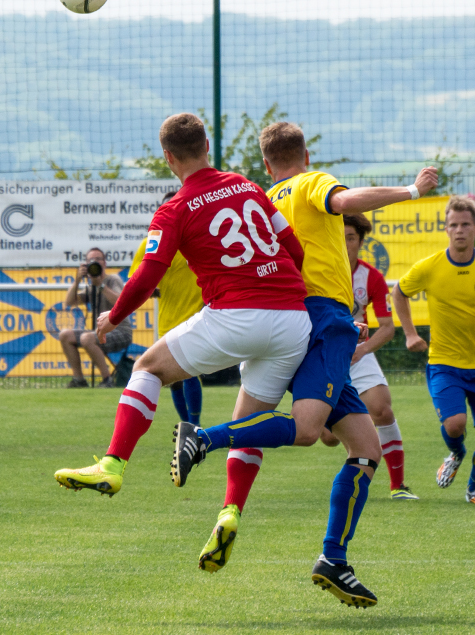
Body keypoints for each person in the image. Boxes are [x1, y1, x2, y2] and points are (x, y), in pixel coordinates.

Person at [173, 122, 438, 608]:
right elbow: (345, 202)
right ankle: (202, 438)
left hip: (279, 314)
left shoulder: (263, 197)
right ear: (306, 155)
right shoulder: (312, 183)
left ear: (267, 163)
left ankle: (320, 552)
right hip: (323, 317)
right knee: (307, 428)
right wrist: (411, 189)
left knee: (364, 446)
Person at [54, 113, 311, 522]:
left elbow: (146, 276)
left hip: (238, 314)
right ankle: (230, 512)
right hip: (294, 321)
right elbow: (294, 251)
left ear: (169, 158)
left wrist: (112, 317)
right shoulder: (249, 187)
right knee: (245, 423)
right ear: (207, 147)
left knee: (148, 367)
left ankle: (113, 464)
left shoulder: (174, 209)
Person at [320, 213, 419, 499]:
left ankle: (398, 486)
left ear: (360, 242)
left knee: (382, 409)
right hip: (325, 355)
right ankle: (356, 451)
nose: (345, 243)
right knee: (325, 437)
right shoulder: (319, 272)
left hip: (356, 355)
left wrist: (362, 349)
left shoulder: (370, 277)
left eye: (351, 238)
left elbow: (387, 329)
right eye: (341, 237)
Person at [392, 195, 475, 505]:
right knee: (456, 425)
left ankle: (473, 489)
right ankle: (456, 452)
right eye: (453, 225)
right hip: (445, 363)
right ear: (445, 229)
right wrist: (410, 334)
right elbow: (399, 293)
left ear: (474, 227)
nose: (460, 230)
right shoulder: (430, 267)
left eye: (466, 224)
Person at [129, 191, 204, 425]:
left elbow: (139, 284)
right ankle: (189, 424)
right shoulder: (152, 243)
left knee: (189, 371)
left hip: (199, 317)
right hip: (169, 318)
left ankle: (194, 424)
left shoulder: (198, 239)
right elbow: (139, 283)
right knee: (174, 378)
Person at [59, 247, 132, 388]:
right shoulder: (90, 285)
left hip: (120, 331)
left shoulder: (112, 279)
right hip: (101, 331)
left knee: (87, 338)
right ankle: (79, 380)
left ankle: (107, 380)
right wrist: (77, 280)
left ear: (104, 263)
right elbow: (69, 302)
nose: (94, 262)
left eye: (98, 259)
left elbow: (121, 302)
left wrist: (101, 285)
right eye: (90, 260)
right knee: (65, 335)